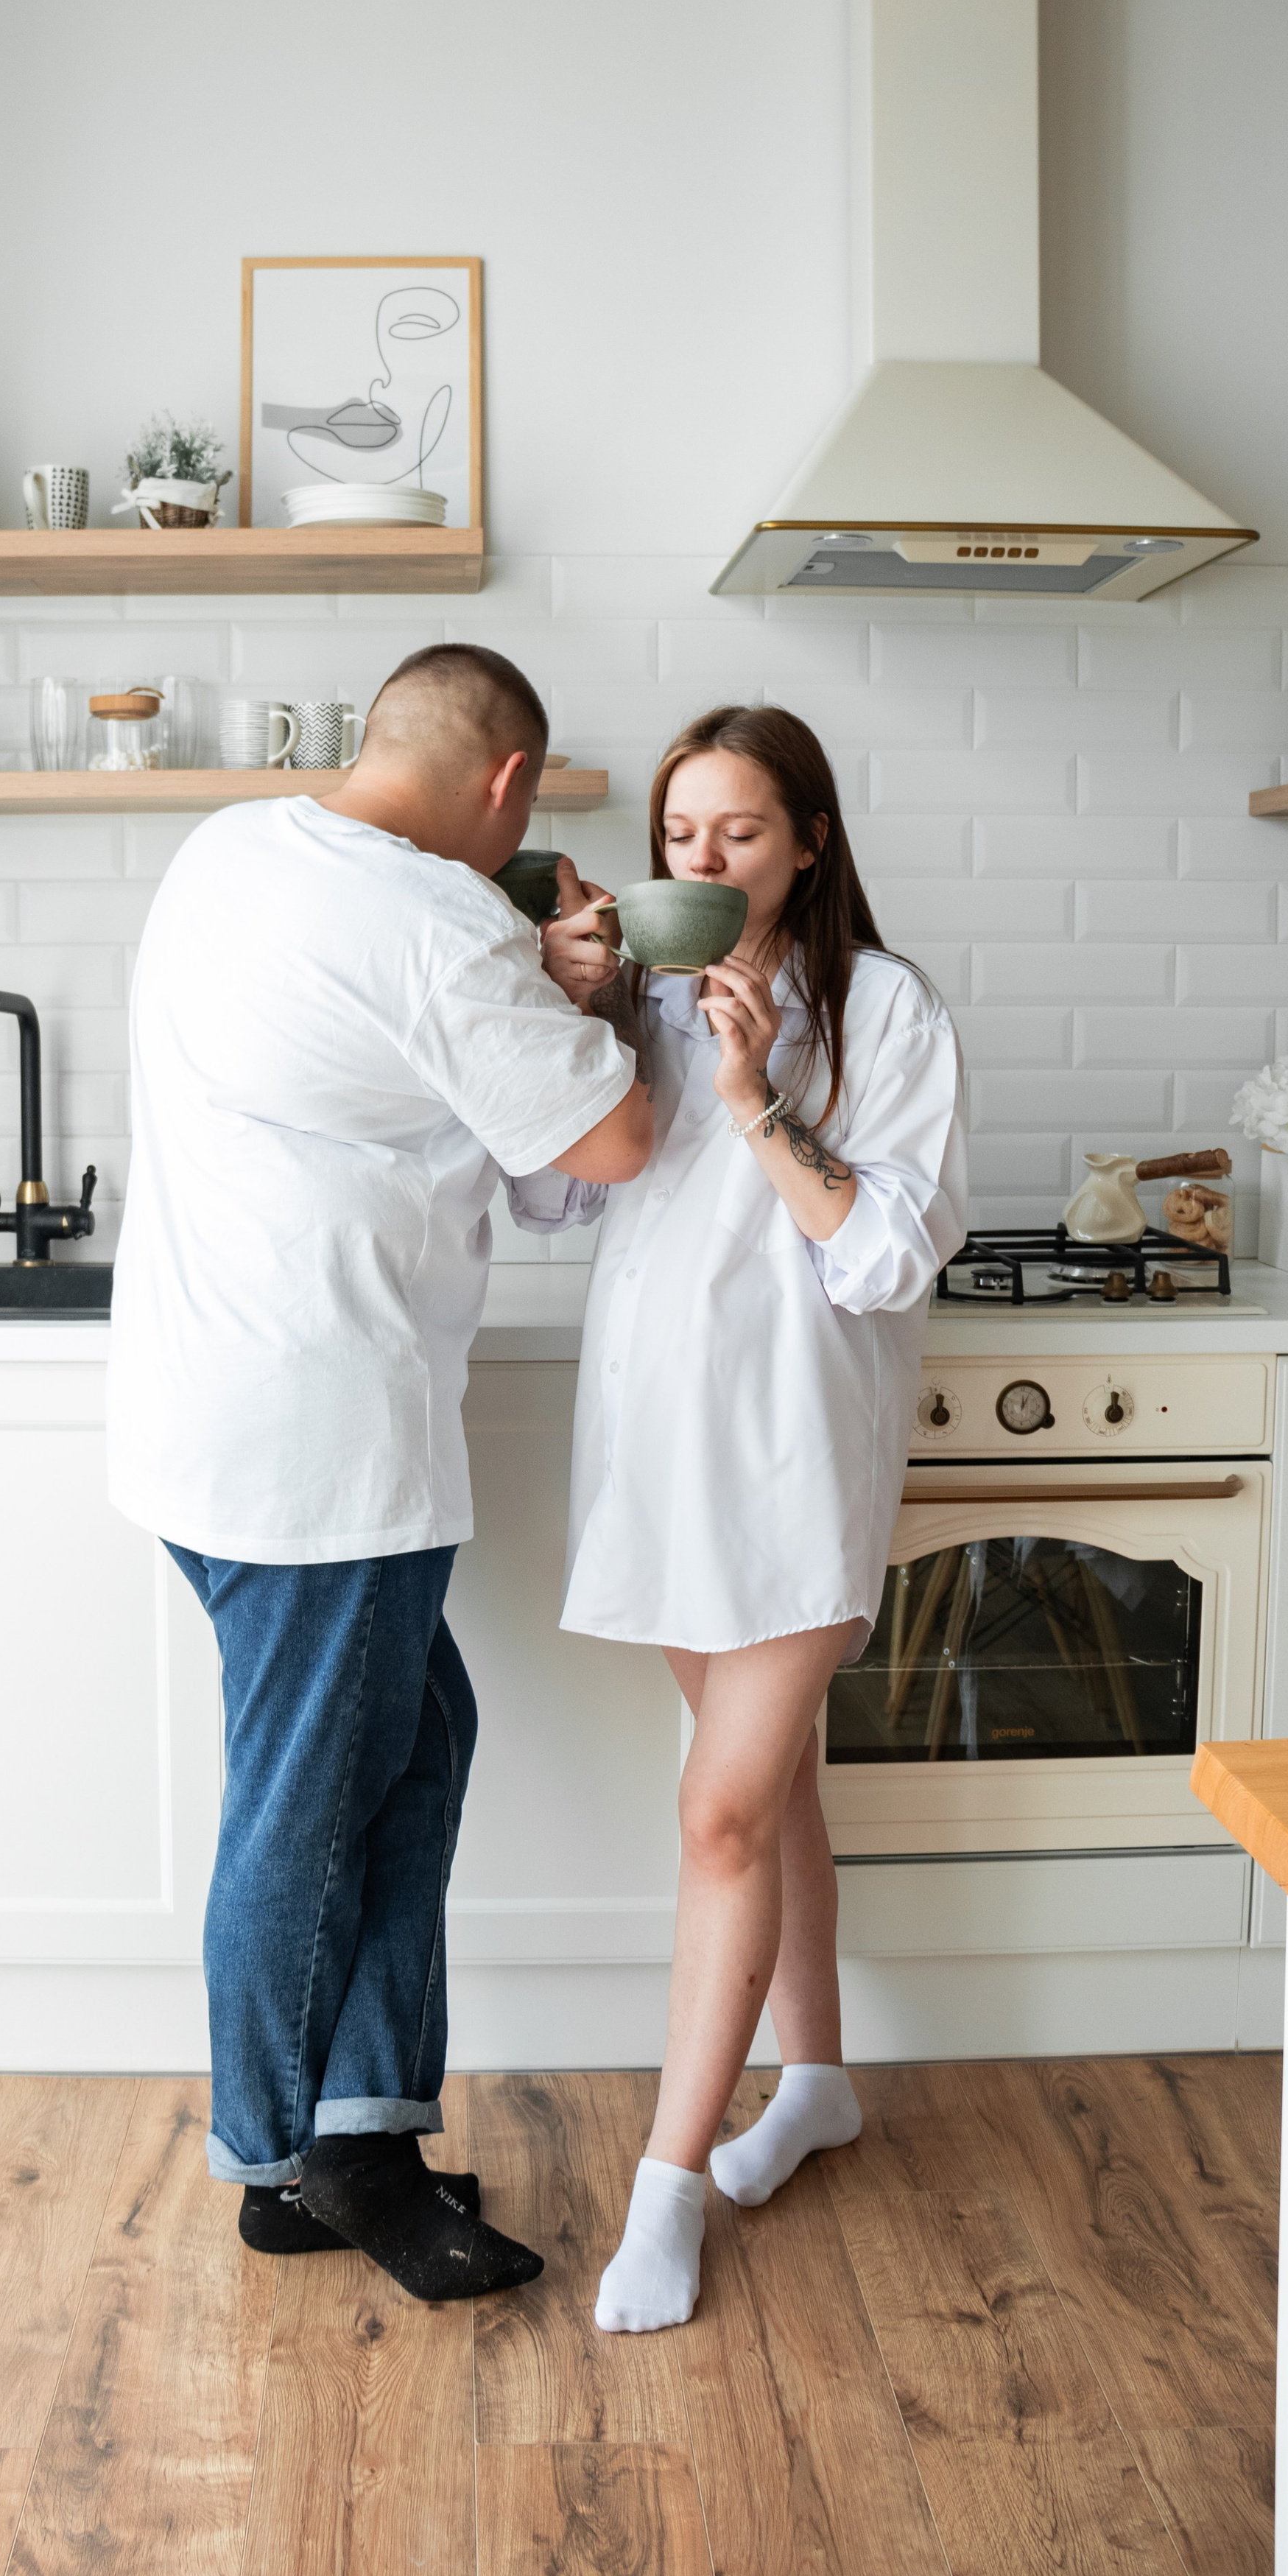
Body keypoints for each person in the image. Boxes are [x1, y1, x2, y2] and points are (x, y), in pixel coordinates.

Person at [108, 642, 652, 2300]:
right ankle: (298, 2161)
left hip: (207, 1428)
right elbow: (608, 1145)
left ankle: (346, 2127)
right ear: (505, 788)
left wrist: (518, 976)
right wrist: (595, 991)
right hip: (324, 1449)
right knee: (314, 1801)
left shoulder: (231, 849)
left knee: (411, 1742)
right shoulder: (438, 925)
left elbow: (399, 1061)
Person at [514, 703, 967, 2333]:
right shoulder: (633, 993)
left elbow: (886, 1259)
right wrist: (568, 1021)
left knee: (716, 1818)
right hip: (654, 1445)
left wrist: (754, 1086)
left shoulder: (885, 1011)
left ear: (809, 843)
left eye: (740, 834)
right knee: (771, 1805)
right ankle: (820, 2081)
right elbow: (555, 1190)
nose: (701, 863)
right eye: (680, 836)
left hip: (790, 1458)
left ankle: (666, 2188)